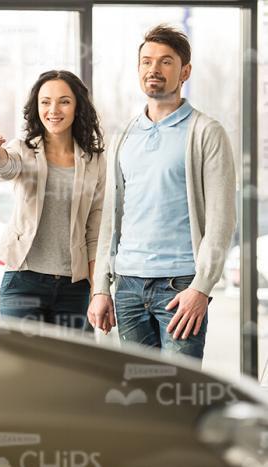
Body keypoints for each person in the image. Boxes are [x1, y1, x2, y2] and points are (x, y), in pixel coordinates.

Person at [88, 25, 236, 360]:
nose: (153, 69)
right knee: (141, 396)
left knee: (178, 396)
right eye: (146, 61)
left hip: (180, 285)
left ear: (185, 71)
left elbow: (222, 220)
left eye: (165, 61)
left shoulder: (206, 133)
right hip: (127, 286)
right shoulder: (124, 135)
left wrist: (201, 287)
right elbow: (110, 219)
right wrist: (101, 288)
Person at [0, 70, 106, 332]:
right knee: (27, 370)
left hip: (75, 288)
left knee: (73, 370)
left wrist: (98, 292)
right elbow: (7, 167)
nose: (53, 109)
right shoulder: (24, 149)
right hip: (23, 282)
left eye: (64, 101)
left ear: (77, 107)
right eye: (45, 101)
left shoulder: (94, 161)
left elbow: (95, 231)